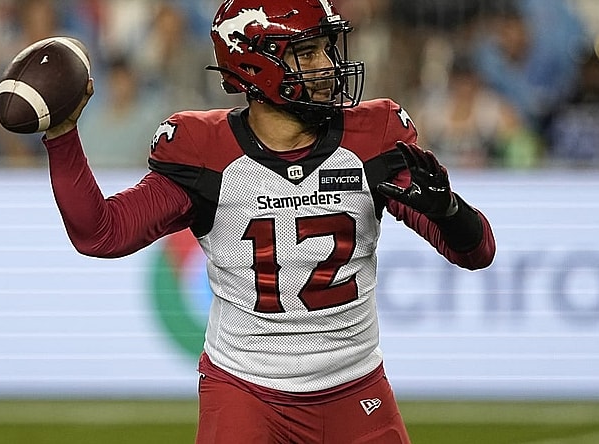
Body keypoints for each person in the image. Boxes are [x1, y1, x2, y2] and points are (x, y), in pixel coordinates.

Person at [38, 0, 495, 442]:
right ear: (259, 65)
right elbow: (101, 233)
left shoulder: (373, 136)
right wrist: (61, 138)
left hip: (354, 386)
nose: (327, 64)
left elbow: (477, 252)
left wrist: (450, 213)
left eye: (325, 47)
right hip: (245, 392)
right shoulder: (205, 152)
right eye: (308, 51)